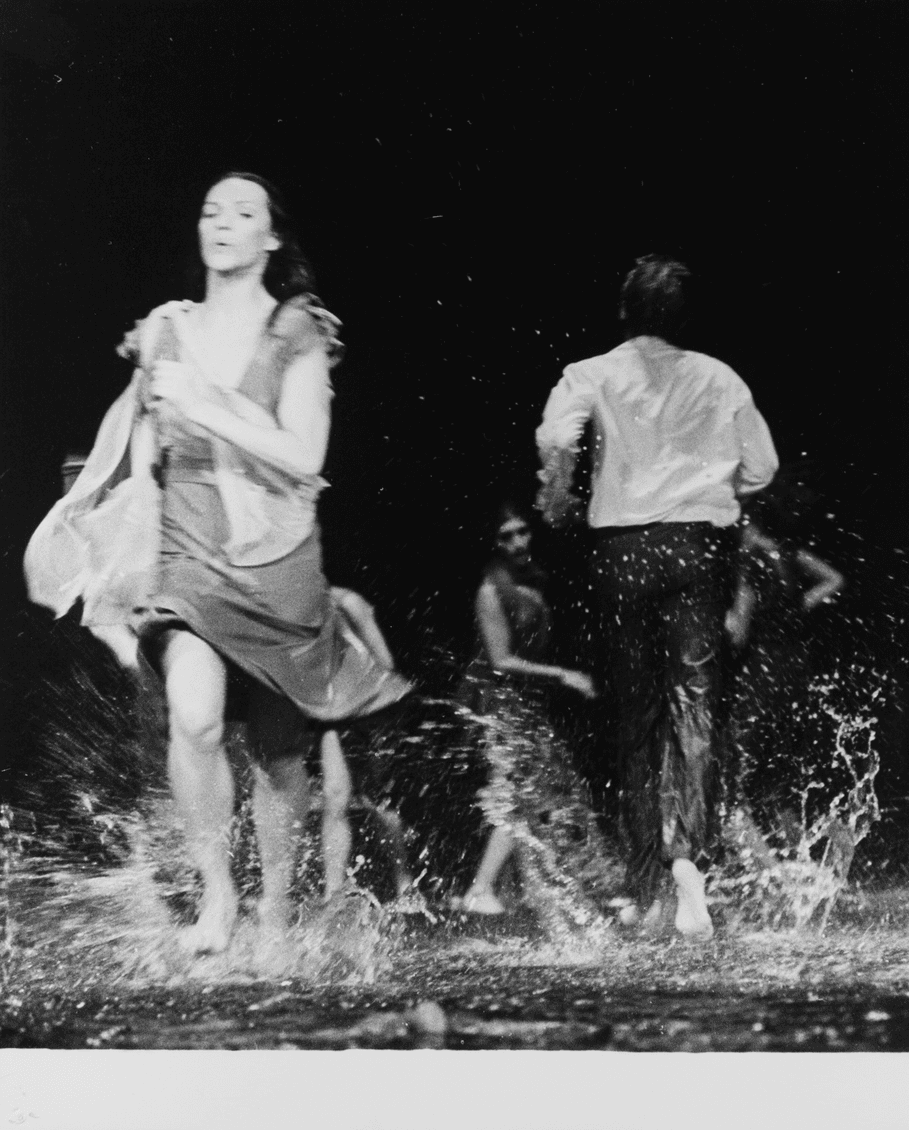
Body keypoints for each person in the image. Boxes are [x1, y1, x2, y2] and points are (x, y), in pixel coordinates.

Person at [25, 173, 410, 954]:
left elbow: (306, 454)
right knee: (194, 719)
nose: (222, 223)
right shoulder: (166, 329)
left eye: (243, 213)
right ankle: (219, 895)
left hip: (277, 561)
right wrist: (125, 529)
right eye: (210, 210)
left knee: (278, 752)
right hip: (190, 557)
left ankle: (273, 908)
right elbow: (141, 445)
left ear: (272, 238)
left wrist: (203, 405)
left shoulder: (297, 329)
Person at [536, 254, 779, 940]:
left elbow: (556, 437)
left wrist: (557, 498)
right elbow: (763, 468)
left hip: (622, 552)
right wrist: (708, 477)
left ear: (623, 311)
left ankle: (646, 885)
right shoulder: (719, 375)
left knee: (636, 718)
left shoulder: (594, 371)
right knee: (696, 709)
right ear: (688, 318)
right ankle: (689, 866)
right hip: (699, 547)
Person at [451, 502, 629, 934]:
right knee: (520, 796)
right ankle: (482, 887)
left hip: (523, 701)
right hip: (496, 701)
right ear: (494, 543)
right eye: (506, 536)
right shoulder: (491, 590)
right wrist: (562, 674)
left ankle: (555, 885)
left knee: (544, 793)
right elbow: (500, 658)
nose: (517, 543)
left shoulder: (532, 580)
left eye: (522, 532)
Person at [723, 473, 845, 832]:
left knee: (738, 774)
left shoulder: (749, 565)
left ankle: (768, 864)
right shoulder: (788, 554)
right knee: (779, 774)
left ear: (745, 521)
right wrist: (798, 605)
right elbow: (835, 579)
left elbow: (738, 633)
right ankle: (801, 853)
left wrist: (712, 622)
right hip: (796, 669)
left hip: (762, 673)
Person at [316, 588, 420, 909]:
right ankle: (333, 893)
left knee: (379, 801)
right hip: (330, 710)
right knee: (335, 794)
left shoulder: (347, 603)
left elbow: (385, 660)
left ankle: (405, 881)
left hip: (374, 706)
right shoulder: (285, 610)